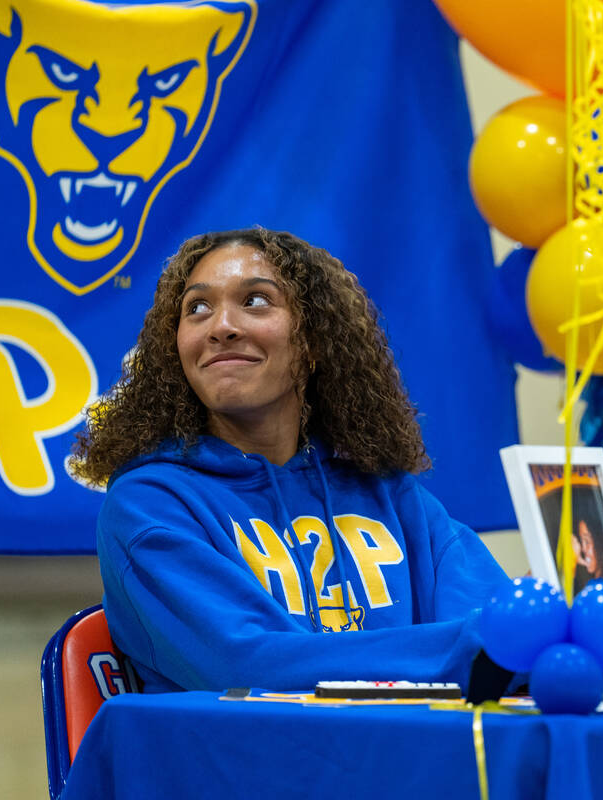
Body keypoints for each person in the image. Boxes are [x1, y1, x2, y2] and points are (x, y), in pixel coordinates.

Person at [69, 228, 509, 693]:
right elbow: (248, 666)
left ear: (315, 341)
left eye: (256, 301)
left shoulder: (392, 496)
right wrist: (464, 651)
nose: (221, 326)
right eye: (197, 308)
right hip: (243, 764)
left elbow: (499, 629)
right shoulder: (150, 506)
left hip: (402, 759)